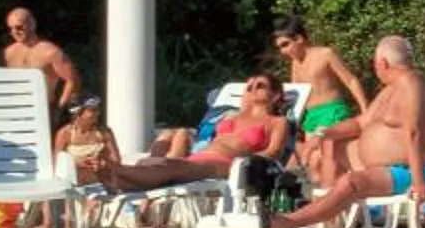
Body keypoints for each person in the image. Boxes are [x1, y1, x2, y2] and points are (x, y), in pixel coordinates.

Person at [268, 35, 425, 228]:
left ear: (382, 63)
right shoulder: (390, 90)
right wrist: (322, 134)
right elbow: (361, 123)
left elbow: (413, 132)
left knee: (351, 182)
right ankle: (333, 213)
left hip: (418, 170)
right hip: (390, 167)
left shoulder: (410, 82)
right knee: (332, 144)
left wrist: (419, 181)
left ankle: (286, 223)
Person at [85, 66, 292, 195]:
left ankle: (116, 171)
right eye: (249, 86)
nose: (252, 89)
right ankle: (115, 179)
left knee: (172, 167)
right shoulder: (232, 116)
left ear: (275, 96)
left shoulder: (276, 122)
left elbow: (274, 152)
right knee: (164, 167)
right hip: (201, 158)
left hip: (228, 165)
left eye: (260, 86)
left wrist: (247, 162)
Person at [273, 15, 370, 190]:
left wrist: (365, 109)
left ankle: (332, 206)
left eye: (285, 44)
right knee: (313, 166)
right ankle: (329, 206)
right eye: (280, 47)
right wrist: (294, 124)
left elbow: (350, 80)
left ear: (299, 39)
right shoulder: (295, 64)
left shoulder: (325, 54)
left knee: (322, 159)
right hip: (312, 117)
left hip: (333, 112)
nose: (282, 51)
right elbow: (297, 96)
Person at [3, 7, 81, 110]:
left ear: (32, 24)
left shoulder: (50, 52)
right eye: (11, 28)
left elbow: (73, 80)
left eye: (19, 27)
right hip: (17, 107)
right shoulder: (9, 52)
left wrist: (59, 107)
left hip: (43, 108)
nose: (15, 32)